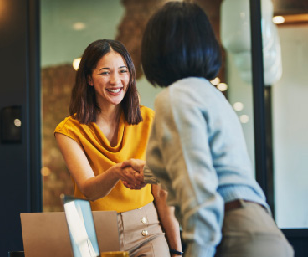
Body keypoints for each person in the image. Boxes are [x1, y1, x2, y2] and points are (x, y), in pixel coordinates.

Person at [125, 2, 294, 257]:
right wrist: (147, 172)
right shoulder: (210, 94)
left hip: (234, 233)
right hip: (256, 228)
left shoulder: (176, 98)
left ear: (157, 48)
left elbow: (198, 190)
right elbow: (212, 167)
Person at [54, 39, 182, 257]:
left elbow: (161, 193)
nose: (116, 81)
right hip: (92, 235)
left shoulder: (150, 120)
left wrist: (177, 250)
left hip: (147, 231)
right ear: (89, 79)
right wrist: (116, 172)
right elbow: (89, 190)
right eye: (105, 73)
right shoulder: (69, 131)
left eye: (123, 71)